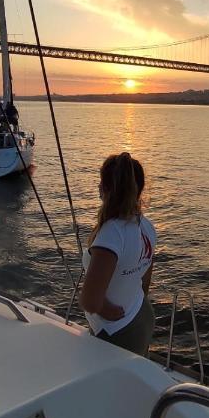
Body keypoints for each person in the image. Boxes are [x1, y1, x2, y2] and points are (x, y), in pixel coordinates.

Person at [80, 152, 156, 356]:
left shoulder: (111, 235)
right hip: (141, 315)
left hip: (116, 331)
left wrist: (106, 310)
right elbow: (145, 279)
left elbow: (89, 301)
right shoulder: (146, 226)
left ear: (105, 188)